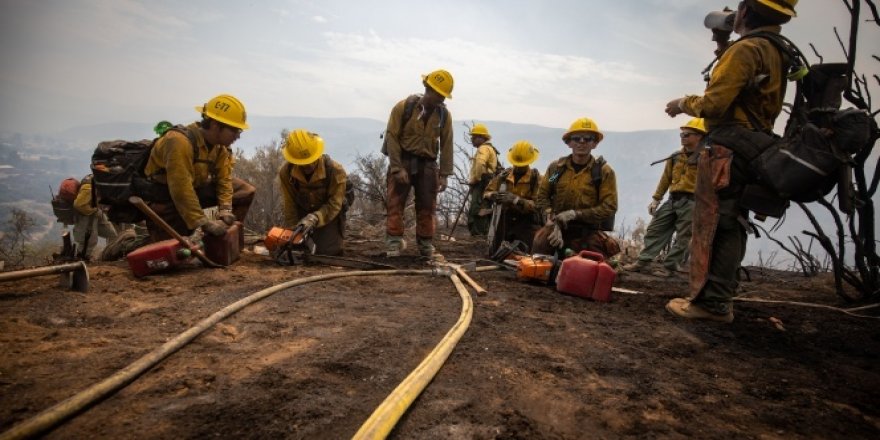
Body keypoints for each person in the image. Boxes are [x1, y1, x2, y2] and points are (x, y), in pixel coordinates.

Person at [663, 0, 796, 323]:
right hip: (753, 146)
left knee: (716, 223)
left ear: (747, 11)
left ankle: (712, 304)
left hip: (728, 149)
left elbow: (716, 103)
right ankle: (719, 297)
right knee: (731, 221)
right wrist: (723, 45)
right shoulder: (775, 49)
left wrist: (682, 103)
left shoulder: (748, 50)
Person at [140, 94, 256, 243]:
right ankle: (127, 243)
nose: (238, 136)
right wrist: (202, 223)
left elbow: (224, 179)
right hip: (165, 199)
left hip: (193, 192)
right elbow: (181, 188)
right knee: (173, 251)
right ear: (215, 125)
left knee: (245, 191)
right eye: (234, 131)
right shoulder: (178, 141)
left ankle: (221, 242)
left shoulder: (219, 147)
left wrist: (225, 210)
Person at [384, 69, 454, 260]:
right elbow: (392, 137)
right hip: (403, 161)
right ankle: (394, 244)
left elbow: (447, 144)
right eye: (438, 94)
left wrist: (444, 175)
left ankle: (425, 246)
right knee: (395, 205)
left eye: (443, 95)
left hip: (428, 165)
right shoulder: (403, 107)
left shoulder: (444, 116)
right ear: (427, 88)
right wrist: (397, 168)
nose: (440, 99)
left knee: (427, 208)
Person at [623, 118, 706, 277]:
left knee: (684, 236)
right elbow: (666, 178)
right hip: (673, 199)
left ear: (700, 136)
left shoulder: (706, 158)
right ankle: (643, 262)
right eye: (682, 133)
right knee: (655, 229)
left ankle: (670, 267)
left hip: (693, 201)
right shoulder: (676, 156)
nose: (683, 136)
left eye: (688, 134)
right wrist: (656, 199)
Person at [533, 117, 619, 258]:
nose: (582, 142)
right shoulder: (557, 171)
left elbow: (609, 206)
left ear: (595, 144)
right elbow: (543, 195)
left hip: (588, 232)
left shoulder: (603, 172)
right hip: (557, 226)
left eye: (588, 139)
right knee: (540, 245)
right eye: (577, 138)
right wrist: (552, 219)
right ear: (569, 142)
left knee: (594, 266)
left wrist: (575, 214)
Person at [278, 129, 348, 256]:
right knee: (295, 248)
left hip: (327, 214)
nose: (308, 166)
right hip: (302, 213)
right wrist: (294, 231)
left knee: (326, 252)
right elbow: (290, 205)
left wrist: (315, 218)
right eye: (303, 163)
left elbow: (334, 204)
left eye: (311, 161)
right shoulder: (286, 172)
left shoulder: (335, 170)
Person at [483, 140, 542, 255]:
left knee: (527, 254)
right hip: (505, 220)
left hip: (526, 222)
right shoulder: (503, 177)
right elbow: (487, 192)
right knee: (496, 254)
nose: (519, 167)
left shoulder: (536, 179)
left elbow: (538, 205)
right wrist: (493, 195)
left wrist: (516, 200)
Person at [72, 174, 117, 260]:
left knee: (112, 234)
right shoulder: (89, 187)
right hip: (86, 215)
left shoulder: (101, 182)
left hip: (96, 212)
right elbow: (78, 205)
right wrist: (93, 210)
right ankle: (82, 260)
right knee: (88, 241)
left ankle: (110, 255)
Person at [466, 123, 499, 237]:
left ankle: (478, 235)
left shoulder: (483, 148)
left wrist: (476, 179)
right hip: (488, 182)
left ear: (481, 137)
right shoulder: (490, 148)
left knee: (477, 210)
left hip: (482, 183)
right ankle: (483, 234)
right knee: (484, 208)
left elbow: (480, 163)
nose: (472, 139)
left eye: (474, 137)